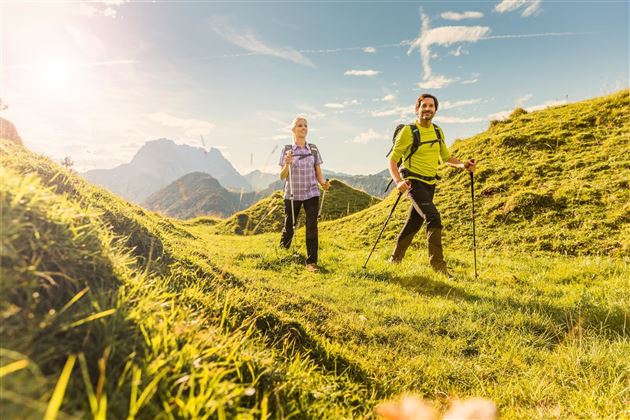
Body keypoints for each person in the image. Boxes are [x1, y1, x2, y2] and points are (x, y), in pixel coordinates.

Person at [388, 93, 476, 276]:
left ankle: (394, 260)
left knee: (414, 222)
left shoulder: (437, 131)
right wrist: (398, 182)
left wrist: (463, 165)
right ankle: (439, 267)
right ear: (417, 109)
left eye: (431, 106)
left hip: (430, 183)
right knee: (433, 218)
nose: (427, 109)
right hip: (413, 182)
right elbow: (393, 160)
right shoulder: (408, 131)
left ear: (435, 110)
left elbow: (446, 157)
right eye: (424, 106)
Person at [279, 116, 331, 273]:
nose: (303, 128)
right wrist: (287, 163)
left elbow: (318, 173)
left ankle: (311, 262)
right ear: (293, 130)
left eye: (305, 125)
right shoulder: (287, 150)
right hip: (292, 194)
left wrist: (323, 183)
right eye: (300, 125)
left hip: (311, 193)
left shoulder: (313, 149)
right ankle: (283, 251)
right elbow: (282, 176)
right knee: (290, 226)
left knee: (311, 227)